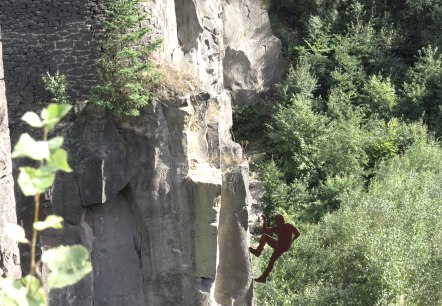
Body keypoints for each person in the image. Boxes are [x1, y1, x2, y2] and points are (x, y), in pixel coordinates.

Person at [249, 214, 300, 283]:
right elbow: (266, 230)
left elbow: (297, 234)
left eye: (277, 221)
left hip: (281, 247)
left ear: (280, 221)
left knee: (271, 260)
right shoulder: (283, 226)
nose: (276, 223)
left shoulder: (285, 226)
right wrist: (264, 220)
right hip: (280, 245)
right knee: (265, 238)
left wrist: (291, 241)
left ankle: (263, 276)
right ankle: (263, 277)